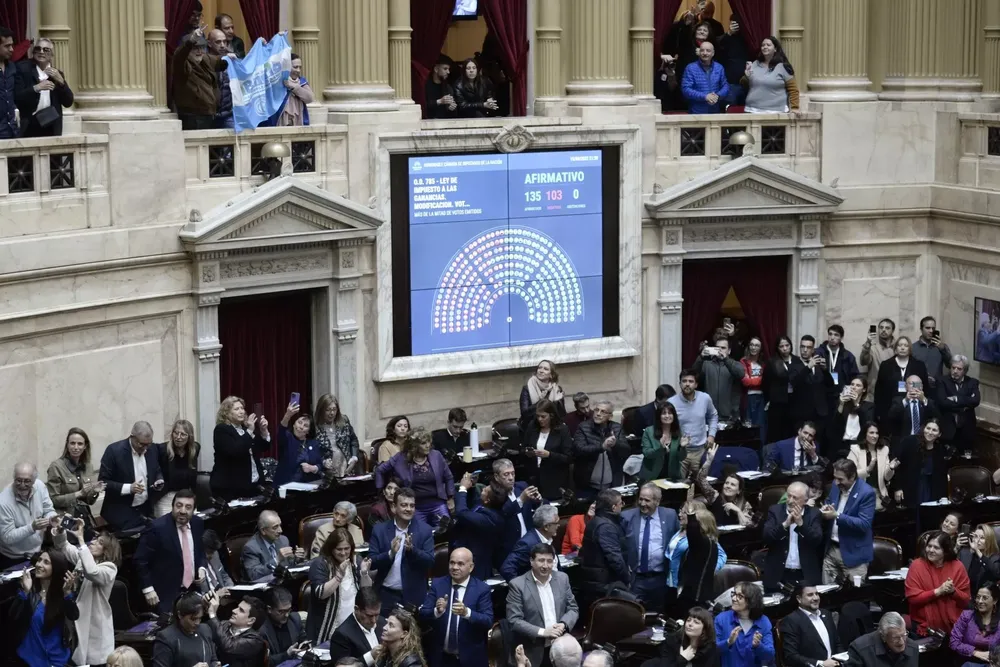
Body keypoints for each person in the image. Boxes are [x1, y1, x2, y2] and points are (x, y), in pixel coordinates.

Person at [53, 518, 120, 667]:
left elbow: (92, 571)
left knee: (90, 661)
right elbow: (63, 546)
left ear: (107, 550)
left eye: (100, 542)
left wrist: (81, 539)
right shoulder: (83, 559)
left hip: (93, 624)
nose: (94, 542)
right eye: (95, 539)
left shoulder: (109, 568)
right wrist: (61, 529)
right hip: (73, 617)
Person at [134, 489, 207, 613]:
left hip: (192, 591)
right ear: (172, 506)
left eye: (188, 507)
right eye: (179, 505)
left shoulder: (197, 523)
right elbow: (140, 560)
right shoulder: (157, 528)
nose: (182, 511)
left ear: (194, 510)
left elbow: (199, 551)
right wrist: (148, 588)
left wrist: (202, 567)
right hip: (165, 594)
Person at [507, 543, 580, 667]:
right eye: (541, 560)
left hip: (559, 647)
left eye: (549, 561)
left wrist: (563, 624)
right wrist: (543, 632)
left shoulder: (562, 579)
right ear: (531, 561)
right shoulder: (518, 585)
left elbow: (573, 608)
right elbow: (514, 620)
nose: (545, 566)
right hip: (532, 652)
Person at [418, 547, 493, 667]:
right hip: (441, 658)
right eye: (452, 563)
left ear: (471, 567)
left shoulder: (482, 589)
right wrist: (437, 611)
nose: (454, 567)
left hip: (471, 659)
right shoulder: (437, 584)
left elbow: (488, 621)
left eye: (460, 564)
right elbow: (423, 614)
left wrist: (467, 613)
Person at [369, 487, 435, 615]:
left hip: (413, 596)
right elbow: (372, 562)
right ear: (394, 507)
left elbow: (430, 562)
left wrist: (412, 550)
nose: (408, 509)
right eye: (404, 505)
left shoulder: (425, 530)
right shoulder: (379, 530)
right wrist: (390, 554)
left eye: (412, 506)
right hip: (386, 595)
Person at [12, 548, 79, 667]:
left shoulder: (63, 593)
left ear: (56, 568)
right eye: (39, 560)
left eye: (46, 562)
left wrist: (67, 594)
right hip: (30, 658)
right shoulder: (30, 588)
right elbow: (13, 617)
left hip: (56, 659)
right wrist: (25, 592)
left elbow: (74, 615)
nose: (39, 564)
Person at [308, 527, 373, 642]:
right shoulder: (320, 564)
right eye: (339, 549)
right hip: (327, 626)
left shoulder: (355, 560)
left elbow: (366, 589)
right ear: (331, 548)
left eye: (346, 548)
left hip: (351, 623)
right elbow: (320, 593)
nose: (343, 553)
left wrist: (364, 573)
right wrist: (338, 576)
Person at [622, 483, 679, 613]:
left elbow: (678, 539)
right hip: (636, 578)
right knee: (633, 613)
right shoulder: (627, 517)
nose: (642, 503)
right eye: (641, 499)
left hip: (660, 578)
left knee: (658, 614)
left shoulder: (670, 515)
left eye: (647, 500)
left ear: (657, 501)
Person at [376, 432, 455, 526]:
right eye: (423, 443)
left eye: (429, 442)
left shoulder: (436, 455)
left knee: (446, 528)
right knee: (419, 532)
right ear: (414, 446)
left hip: (437, 503)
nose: (428, 445)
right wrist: (380, 491)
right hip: (414, 506)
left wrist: (450, 498)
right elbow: (380, 470)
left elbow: (449, 477)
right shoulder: (400, 457)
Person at [99, 421, 164, 532]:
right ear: (132, 437)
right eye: (141, 444)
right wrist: (128, 488)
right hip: (120, 510)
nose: (145, 448)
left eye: (148, 444)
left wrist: (159, 479)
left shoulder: (152, 448)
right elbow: (103, 482)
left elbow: (156, 469)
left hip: (145, 508)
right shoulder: (114, 451)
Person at [821, 459, 876, 585]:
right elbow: (829, 501)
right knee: (828, 594)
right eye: (835, 478)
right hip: (831, 551)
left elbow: (864, 524)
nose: (836, 482)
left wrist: (837, 516)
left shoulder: (866, 493)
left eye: (840, 479)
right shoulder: (836, 485)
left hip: (855, 556)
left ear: (852, 477)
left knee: (853, 595)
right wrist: (826, 507)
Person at [905, 530, 971, 635]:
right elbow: (912, 598)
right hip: (923, 628)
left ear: (946, 551)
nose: (931, 550)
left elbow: (966, 601)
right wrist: (938, 591)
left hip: (954, 628)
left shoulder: (958, 567)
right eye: (929, 546)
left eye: (936, 547)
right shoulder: (916, 566)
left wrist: (953, 591)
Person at [762, 482, 823, 592]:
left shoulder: (814, 514)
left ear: (805, 500)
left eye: (795, 498)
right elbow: (767, 537)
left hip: (805, 574)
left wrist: (801, 524)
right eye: (789, 496)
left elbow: (816, 540)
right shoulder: (775, 510)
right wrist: (785, 524)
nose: (790, 501)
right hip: (778, 573)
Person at [577, 489, 629, 613]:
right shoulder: (606, 527)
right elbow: (615, 558)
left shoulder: (597, 520)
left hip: (596, 581)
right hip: (604, 584)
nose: (622, 506)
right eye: (621, 503)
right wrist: (627, 578)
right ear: (613, 507)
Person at [211, 396, 270, 500]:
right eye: (236, 409)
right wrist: (250, 431)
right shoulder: (222, 430)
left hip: (253, 485)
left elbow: (263, 448)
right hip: (230, 488)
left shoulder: (245, 429)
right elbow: (235, 450)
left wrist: (264, 431)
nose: (241, 411)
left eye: (242, 408)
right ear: (226, 413)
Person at [0, 463, 58, 568]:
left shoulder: (40, 486)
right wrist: (32, 527)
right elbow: (7, 537)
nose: (22, 485)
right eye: (18, 480)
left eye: (27, 481)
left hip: (37, 551)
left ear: (34, 480)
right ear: (14, 478)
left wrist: (52, 518)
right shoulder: (3, 502)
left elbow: (48, 509)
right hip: (13, 558)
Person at [13, 38, 73, 137]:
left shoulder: (56, 74)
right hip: (29, 124)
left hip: (51, 125)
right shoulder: (23, 69)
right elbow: (17, 97)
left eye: (46, 49)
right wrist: (36, 88)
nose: (41, 52)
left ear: (52, 54)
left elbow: (68, 102)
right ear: (33, 52)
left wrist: (62, 82)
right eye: (38, 49)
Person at [172, 27, 229, 130]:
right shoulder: (183, 66)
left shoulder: (204, 60)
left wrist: (230, 57)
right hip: (193, 118)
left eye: (202, 47)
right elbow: (179, 56)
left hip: (209, 116)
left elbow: (219, 60)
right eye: (195, 48)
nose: (199, 51)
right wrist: (191, 41)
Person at [451, 476, 506, 580]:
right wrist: (472, 486)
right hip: (464, 549)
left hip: (476, 564)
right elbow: (472, 504)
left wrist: (463, 488)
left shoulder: (491, 519)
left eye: (484, 490)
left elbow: (462, 513)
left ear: (487, 500)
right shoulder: (485, 504)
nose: (482, 489)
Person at [45, 428, 102, 528]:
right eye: (72, 443)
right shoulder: (56, 467)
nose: (76, 447)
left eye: (80, 444)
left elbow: (89, 502)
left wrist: (94, 492)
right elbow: (52, 500)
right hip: (65, 519)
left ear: (85, 446)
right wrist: (78, 494)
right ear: (67, 445)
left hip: (83, 516)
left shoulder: (88, 466)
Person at [668, 369, 719, 479]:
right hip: (680, 452)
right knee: (679, 484)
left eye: (691, 381)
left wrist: (711, 435)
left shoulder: (705, 398)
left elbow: (713, 416)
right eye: (684, 381)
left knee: (701, 484)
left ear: (696, 384)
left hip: (701, 450)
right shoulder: (671, 402)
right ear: (679, 383)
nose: (687, 384)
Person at [573, 400, 629, 495]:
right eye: (596, 410)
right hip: (587, 483)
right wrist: (601, 447)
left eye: (603, 412)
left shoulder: (616, 428)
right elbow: (579, 449)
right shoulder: (583, 427)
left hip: (611, 484)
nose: (598, 414)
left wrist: (615, 444)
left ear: (610, 416)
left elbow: (626, 451)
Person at [713, 581, 775, 667]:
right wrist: (728, 642)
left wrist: (758, 646)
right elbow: (713, 650)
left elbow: (770, 655)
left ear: (751, 601)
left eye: (740, 596)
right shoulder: (722, 618)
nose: (734, 598)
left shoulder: (763, 621)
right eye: (734, 594)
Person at [779, 584, 842, 667]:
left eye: (817, 594)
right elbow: (791, 656)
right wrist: (820, 663)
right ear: (799, 599)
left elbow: (837, 643)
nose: (816, 598)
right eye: (810, 595)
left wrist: (841, 659)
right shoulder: (791, 621)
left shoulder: (826, 614)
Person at [521, 399, 573, 500]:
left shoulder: (562, 430)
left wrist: (549, 455)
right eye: (537, 416)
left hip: (554, 480)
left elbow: (569, 458)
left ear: (551, 415)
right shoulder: (532, 426)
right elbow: (523, 448)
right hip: (534, 478)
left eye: (543, 416)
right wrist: (527, 452)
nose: (540, 419)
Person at [152, 591, 219, 667]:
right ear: (180, 615)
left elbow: (213, 659)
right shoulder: (166, 637)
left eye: (200, 618)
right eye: (193, 619)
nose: (197, 623)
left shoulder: (205, 629)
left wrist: (215, 665)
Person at [890, 419, 946, 508]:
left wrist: (942, 496)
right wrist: (897, 488)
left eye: (934, 430)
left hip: (930, 490)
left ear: (939, 434)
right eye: (928, 428)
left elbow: (941, 475)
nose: (930, 432)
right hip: (909, 488)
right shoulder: (909, 441)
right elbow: (896, 466)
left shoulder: (939, 449)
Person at [874, 337, 929, 424]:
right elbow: (879, 389)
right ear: (895, 348)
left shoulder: (919, 365)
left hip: (913, 407)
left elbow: (924, 386)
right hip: (889, 408)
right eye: (900, 345)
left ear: (910, 349)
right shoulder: (886, 365)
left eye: (906, 345)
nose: (902, 348)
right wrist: (878, 411)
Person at [677, 506, 720, 616]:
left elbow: (693, 532)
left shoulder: (704, 543)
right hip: (694, 593)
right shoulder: (709, 543)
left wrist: (691, 515)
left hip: (695, 597)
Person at [501, 503, 561, 582]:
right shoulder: (527, 543)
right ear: (546, 527)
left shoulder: (547, 539)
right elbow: (507, 568)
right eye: (556, 523)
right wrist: (523, 587)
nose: (558, 525)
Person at [493, 458, 542, 554]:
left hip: (530, 543)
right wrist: (521, 499)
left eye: (513, 473)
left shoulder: (522, 486)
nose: (511, 477)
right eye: (506, 474)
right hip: (509, 548)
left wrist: (538, 500)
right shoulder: (493, 494)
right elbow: (504, 513)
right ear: (496, 477)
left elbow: (536, 506)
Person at [242, 509, 304, 583]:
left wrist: (297, 559)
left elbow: (289, 565)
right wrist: (277, 560)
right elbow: (253, 575)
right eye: (275, 527)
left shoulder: (283, 540)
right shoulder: (251, 548)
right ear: (263, 531)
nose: (280, 530)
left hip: (284, 582)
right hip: (265, 587)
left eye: (280, 525)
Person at [206, 593, 268, 667]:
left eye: (241, 610)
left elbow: (228, 646)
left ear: (251, 620)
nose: (234, 610)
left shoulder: (255, 640)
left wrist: (212, 614)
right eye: (237, 607)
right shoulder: (224, 624)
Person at [762, 335, 805, 443]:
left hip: (794, 402)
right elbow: (766, 383)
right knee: (776, 433)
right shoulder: (772, 362)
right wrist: (770, 399)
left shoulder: (797, 360)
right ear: (777, 348)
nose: (785, 348)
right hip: (778, 403)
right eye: (781, 346)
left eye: (787, 345)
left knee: (792, 431)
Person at [693, 335, 745, 421]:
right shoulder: (706, 365)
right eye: (717, 348)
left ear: (729, 351)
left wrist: (726, 360)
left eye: (723, 348)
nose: (720, 350)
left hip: (729, 415)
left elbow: (741, 374)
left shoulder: (734, 364)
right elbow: (693, 376)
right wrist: (701, 357)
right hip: (709, 414)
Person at [644, 606, 718, 667]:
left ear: (705, 629)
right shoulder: (672, 641)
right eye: (688, 620)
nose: (690, 624)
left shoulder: (710, 649)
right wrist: (682, 660)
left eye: (696, 622)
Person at [330, 586, 385, 665]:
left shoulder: (383, 623)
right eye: (369, 616)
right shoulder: (342, 636)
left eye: (377, 615)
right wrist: (370, 656)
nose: (374, 620)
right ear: (357, 609)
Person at [937, 355, 981, 454]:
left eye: (959, 369)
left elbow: (976, 400)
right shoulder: (942, 381)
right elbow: (943, 402)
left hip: (967, 429)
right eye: (953, 368)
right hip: (948, 428)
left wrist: (956, 398)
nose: (955, 371)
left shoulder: (972, 382)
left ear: (965, 371)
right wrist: (966, 403)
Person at [742, 36, 798, 113]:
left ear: (775, 49)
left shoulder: (783, 67)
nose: (765, 47)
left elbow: (793, 89)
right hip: (752, 110)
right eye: (763, 45)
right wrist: (746, 76)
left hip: (775, 112)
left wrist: (795, 108)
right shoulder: (754, 64)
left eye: (768, 45)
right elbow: (744, 84)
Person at [155, 420, 199, 518]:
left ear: (189, 436)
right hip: (167, 498)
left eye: (183, 434)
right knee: (167, 525)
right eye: (176, 433)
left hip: (187, 496)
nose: (178, 437)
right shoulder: (163, 450)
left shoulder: (194, 449)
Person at [274, 401, 323, 486]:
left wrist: (312, 468)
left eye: (305, 425)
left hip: (307, 486)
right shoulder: (287, 438)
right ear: (294, 425)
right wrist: (288, 415)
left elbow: (320, 464)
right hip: (286, 485)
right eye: (299, 423)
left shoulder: (313, 443)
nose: (301, 427)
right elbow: (281, 430)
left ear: (308, 431)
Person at [844, 612, 917, 667]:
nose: (901, 642)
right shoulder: (860, 650)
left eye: (904, 635)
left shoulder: (913, 647)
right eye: (895, 637)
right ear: (883, 636)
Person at [950, 584, 1000, 664]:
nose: (980, 601)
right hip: (966, 662)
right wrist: (975, 652)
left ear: (995, 600)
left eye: (985, 598)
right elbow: (954, 642)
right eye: (978, 597)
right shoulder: (967, 616)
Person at [314, 393, 361, 479]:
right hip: (326, 474)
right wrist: (323, 462)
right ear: (321, 410)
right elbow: (312, 451)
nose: (332, 413)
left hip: (346, 470)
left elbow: (353, 440)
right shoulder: (315, 426)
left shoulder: (344, 420)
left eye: (334, 409)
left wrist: (354, 457)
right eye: (328, 410)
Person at [847, 423, 893, 509]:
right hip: (859, 493)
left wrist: (891, 468)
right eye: (871, 433)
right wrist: (867, 470)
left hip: (878, 494)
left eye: (877, 433)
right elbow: (849, 474)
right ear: (865, 434)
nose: (875, 436)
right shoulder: (855, 450)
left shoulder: (884, 449)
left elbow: (887, 477)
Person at [830, 377, 875, 460]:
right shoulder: (843, 404)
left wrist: (856, 404)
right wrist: (841, 404)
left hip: (859, 444)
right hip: (843, 445)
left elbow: (867, 424)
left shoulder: (869, 406)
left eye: (858, 385)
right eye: (852, 384)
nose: (854, 387)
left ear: (864, 390)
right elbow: (835, 425)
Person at [260, 586, 308, 665]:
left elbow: (303, 638)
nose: (287, 615)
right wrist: (287, 654)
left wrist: (305, 644)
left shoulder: (295, 619)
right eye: (281, 611)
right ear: (269, 609)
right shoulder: (262, 630)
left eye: (289, 610)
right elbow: (264, 661)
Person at [885, 375, 938, 444]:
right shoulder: (898, 401)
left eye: (917, 384)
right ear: (905, 387)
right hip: (903, 441)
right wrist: (905, 400)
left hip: (923, 442)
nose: (914, 386)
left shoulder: (928, 402)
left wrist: (924, 400)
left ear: (921, 387)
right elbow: (891, 417)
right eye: (911, 384)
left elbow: (936, 416)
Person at [697, 463, 753, 527]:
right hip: (717, 532)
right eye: (726, 483)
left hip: (736, 533)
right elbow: (701, 479)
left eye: (732, 484)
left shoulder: (745, 505)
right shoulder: (715, 496)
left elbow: (749, 526)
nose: (728, 486)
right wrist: (708, 461)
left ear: (739, 491)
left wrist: (738, 511)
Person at [640, 402, 684, 482]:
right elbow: (647, 454)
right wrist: (660, 448)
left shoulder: (678, 432)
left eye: (670, 413)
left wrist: (682, 447)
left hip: (672, 477)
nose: (667, 416)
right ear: (658, 416)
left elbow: (681, 457)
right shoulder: (649, 431)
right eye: (664, 413)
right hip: (652, 476)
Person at [681, 39, 728, 113]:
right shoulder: (690, 68)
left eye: (708, 51)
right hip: (696, 112)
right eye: (702, 50)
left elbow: (725, 86)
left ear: (713, 53)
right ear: (699, 52)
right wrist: (705, 96)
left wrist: (717, 96)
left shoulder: (719, 67)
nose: (705, 53)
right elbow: (686, 89)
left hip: (715, 111)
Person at [520, 360, 566, 429]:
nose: (541, 371)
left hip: (552, 428)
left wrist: (557, 401)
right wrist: (542, 401)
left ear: (551, 375)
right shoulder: (527, 388)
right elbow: (524, 414)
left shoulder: (556, 389)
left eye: (545, 369)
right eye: (540, 368)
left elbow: (562, 415)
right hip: (532, 428)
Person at [272, 53, 313, 126]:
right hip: (281, 121)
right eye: (295, 67)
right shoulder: (277, 81)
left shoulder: (302, 81)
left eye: (300, 67)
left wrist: (294, 86)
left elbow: (310, 98)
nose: (298, 70)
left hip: (297, 121)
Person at [860, 319, 897, 401]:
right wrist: (868, 342)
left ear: (893, 331)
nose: (883, 330)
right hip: (874, 393)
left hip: (893, 392)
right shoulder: (872, 348)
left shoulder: (898, 348)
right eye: (881, 327)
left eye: (887, 328)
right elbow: (863, 362)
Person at [911, 316, 952, 388]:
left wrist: (943, 349)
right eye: (928, 328)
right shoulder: (913, 348)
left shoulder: (941, 347)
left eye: (933, 328)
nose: (931, 331)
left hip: (937, 387)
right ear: (921, 329)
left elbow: (950, 365)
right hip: (918, 387)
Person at [961, 525, 1000, 593]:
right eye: (976, 536)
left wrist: (978, 551)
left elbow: (995, 574)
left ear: (989, 541)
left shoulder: (995, 558)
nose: (977, 540)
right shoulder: (965, 554)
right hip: (965, 595)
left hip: (983, 596)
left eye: (982, 538)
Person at [740, 338, 766, 437]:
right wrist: (761, 380)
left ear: (760, 348)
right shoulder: (743, 361)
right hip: (748, 398)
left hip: (761, 398)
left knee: (761, 427)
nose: (753, 347)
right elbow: (745, 382)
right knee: (748, 426)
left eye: (756, 345)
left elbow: (766, 381)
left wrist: (753, 380)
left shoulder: (763, 363)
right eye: (751, 344)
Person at [201, 529, 234, 596]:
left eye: (213, 552)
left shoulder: (215, 554)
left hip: (225, 596)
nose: (212, 555)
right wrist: (217, 595)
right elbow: (200, 595)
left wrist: (230, 588)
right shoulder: (194, 566)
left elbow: (224, 576)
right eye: (209, 552)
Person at [424, 54, 457, 119]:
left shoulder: (448, 87)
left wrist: (452, 108)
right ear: (436, 69)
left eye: (449, 69)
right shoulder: (425, 86)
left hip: (445, 122)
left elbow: (453, 114)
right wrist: (439, 101)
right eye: (445, 69)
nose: (448, 72)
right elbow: (423, 106)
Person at [0, 26, 19, 138]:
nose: (12, 49)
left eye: (12, 45)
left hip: (12, 130)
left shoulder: (12, 67)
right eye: (7, 46)